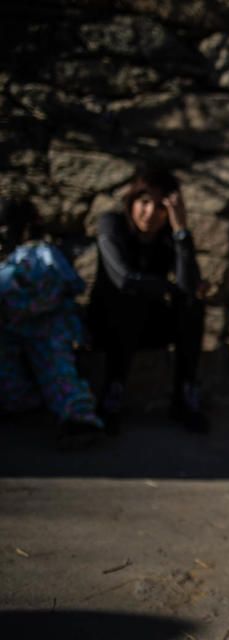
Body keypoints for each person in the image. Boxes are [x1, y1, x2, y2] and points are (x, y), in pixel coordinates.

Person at [88, 165, 208, 434]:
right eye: (144, 203)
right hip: (109, 324)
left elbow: (190, 286)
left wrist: (181, 232)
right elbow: (124, 279)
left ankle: (186, 394)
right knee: (132, 297)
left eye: (160, 207)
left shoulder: (168, 238)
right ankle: (112, 391)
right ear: (133, 201)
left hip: (149, 326)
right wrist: (168, 287)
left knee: (192, 305)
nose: (150, 213)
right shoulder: (112, 225)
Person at [0, 196, 104, 443]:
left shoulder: (39, 253)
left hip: (48, 327)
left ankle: (79, 420)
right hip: (10, 328)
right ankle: (26, 406)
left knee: (59, 372)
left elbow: (64, 285)